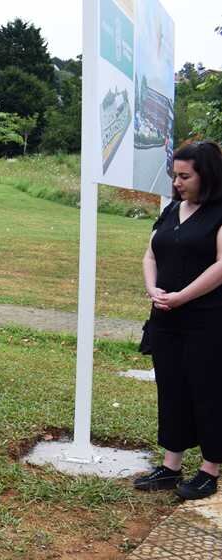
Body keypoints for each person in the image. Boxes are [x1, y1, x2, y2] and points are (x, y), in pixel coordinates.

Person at [134, 140, 222, 500]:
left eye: (185, 176)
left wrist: (182, 296)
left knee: (208, 392)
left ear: (208, 175)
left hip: (207, 320)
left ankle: (209, 469)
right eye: (174, 175)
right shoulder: (172, 209)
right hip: (166, 319)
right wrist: (153, 289)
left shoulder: (219, 213)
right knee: (171, 389)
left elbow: (221, 265)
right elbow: (150, 254)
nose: (177, 183)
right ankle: (171, 465)